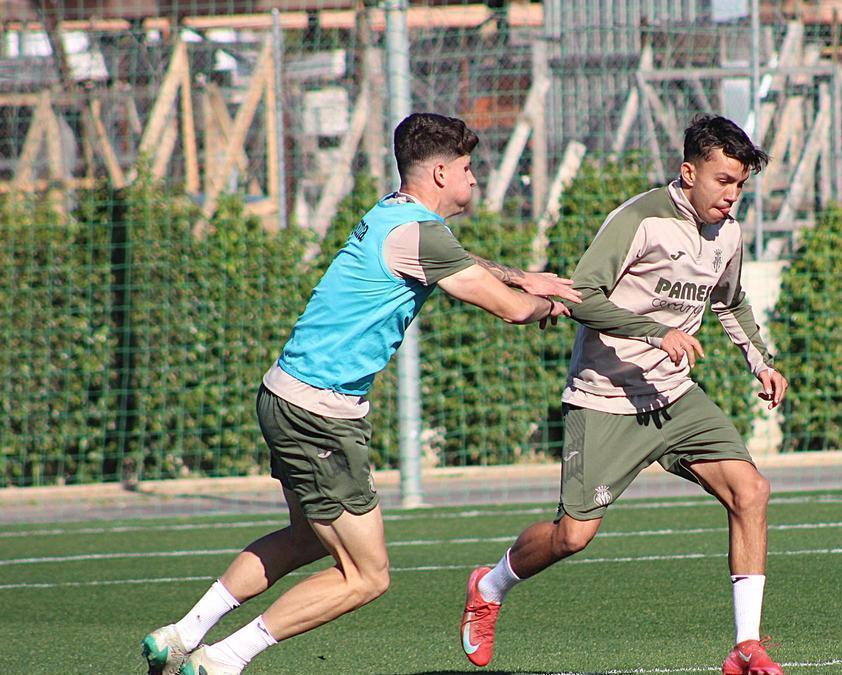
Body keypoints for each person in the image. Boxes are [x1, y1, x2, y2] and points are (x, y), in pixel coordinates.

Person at [141, 112, 578, 675]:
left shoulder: (391, 213)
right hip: (319, 414)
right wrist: (556, 303)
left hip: (283, 394)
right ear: (441, 173)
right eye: (468, 169)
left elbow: (461, 263)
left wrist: (523, 275)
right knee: (367, 575)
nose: (475, 180)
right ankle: (222, 660)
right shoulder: (420, 231)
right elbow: (514, 311)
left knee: (306, 539)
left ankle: (181, 634)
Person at [460, 114, 789, 674]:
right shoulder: (639, 220)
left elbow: (729, 301)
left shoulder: (727, 234)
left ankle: (746, 645)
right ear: (688, 172)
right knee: (572, 536)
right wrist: (656, 332)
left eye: (739, 184)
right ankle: (489, 586)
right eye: (722, 181)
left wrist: (761, 362)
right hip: (606, 396)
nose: (731, 196)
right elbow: (580, 294)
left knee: (750, 490)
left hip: (674, 396)